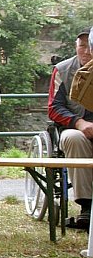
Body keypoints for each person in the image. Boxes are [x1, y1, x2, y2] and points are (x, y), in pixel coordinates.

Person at [47, 28, 93, 230]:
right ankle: (87, 207)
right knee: (73, 138)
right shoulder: (63, 70)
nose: (86, 50)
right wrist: (80, 123)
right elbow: (54, 108)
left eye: (89, 45)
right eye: (81, 45)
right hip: (76, 127)